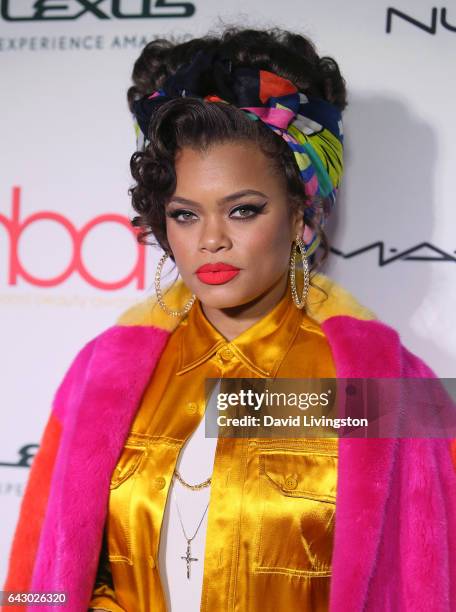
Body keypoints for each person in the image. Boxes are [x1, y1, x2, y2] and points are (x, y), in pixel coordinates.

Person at [3, 27, 456, 612]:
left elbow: (427, 586)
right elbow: (35, 580)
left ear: (299, 215)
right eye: (185, 214)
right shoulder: (104, 373)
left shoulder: (390, 387)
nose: (211, 240)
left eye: (243, 210)